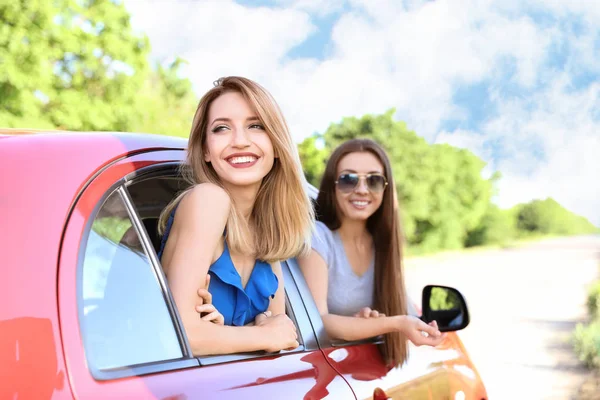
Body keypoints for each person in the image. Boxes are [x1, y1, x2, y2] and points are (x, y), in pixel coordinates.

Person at [157, 76, 314, 356]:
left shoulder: (268, 232)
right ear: (205, 149)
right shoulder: (208, 200)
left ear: (277, 145)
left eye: (256, 126)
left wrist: (225, 334)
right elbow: (184, 336)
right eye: (221, 128)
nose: (240, 141)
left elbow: (281, 337)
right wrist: (256, 334)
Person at [297, 138, 445, 367]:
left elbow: (407, 313)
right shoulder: (318, 237)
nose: (362, 190)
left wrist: (426, 329)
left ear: (385, 188)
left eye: (374, 180)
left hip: (365, 370)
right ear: (333, 185)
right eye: (348, 179)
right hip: (328, 371)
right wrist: (392, 324)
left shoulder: (383, 247)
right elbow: (320, 321)